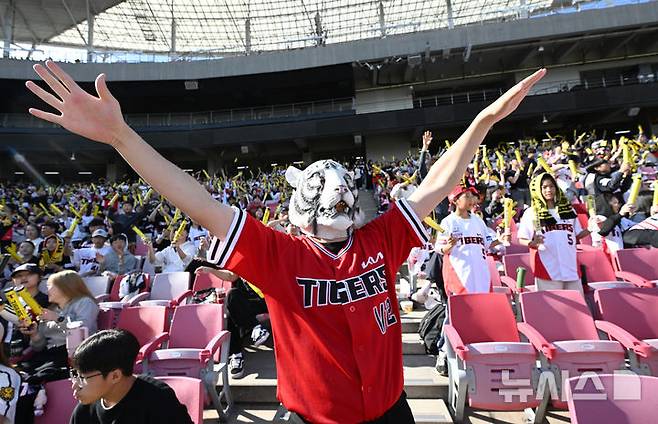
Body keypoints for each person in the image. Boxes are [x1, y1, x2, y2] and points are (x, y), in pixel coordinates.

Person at [26, 60, 545, 423]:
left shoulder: (379, 238)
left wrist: (482, 123)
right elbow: (196, 200)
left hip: (391, 412)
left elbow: (437, 183)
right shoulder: (280, 254)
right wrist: (121, 137)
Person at [69, 329, 193, 424]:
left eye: (83, 378)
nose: (75, 385)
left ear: (115, 376)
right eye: (75, 375)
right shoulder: (84, 411)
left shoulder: (158, 401)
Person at [518, 173, 590, 291]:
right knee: (553, 308)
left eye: (552, 186)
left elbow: (577, 235)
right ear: (537, 190)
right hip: (547, 266)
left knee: (577, 306)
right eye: (544, 187)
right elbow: (522, 238)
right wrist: (532, 243)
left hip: (570, 265)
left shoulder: (568, 209)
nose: (549, 190)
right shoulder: (531, 212)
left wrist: (591, 228)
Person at [194, 267, 269, 379]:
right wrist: (210, 270)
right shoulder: (242, 260)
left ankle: (237, 353)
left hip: (268, 299)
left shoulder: (265, 256)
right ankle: (253, 331)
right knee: (231, 302)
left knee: (232, 309)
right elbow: (231, 276)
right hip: (247, 302)